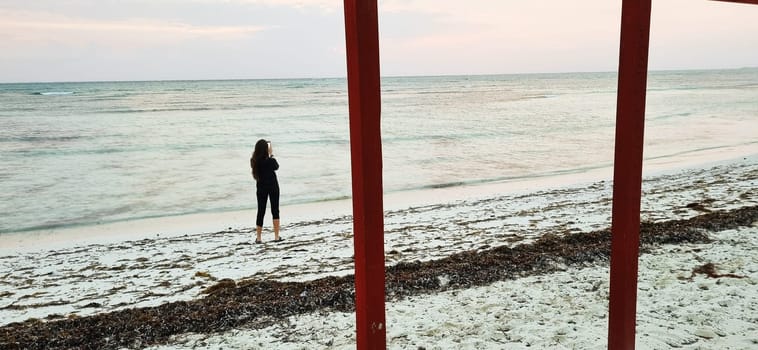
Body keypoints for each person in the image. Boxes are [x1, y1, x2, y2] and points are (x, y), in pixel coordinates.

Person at [250, 139, 281, 243]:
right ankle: (276, 237)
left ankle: (258, 238)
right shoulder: (270, 160)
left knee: (261, 211)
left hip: (261, 188)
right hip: (273, 187)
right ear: (266, 149)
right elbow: (276, 167)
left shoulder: (254, 161)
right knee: (275, 210)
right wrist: (271, 155)